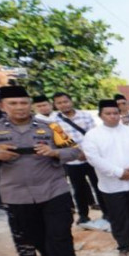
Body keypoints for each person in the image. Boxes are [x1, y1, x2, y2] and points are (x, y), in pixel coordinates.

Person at [0, 85, 86, 256]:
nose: (20, 107)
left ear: (30, 105)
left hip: (54, 189)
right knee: (36, 236)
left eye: (24, 103)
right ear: (3, 106)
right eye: (13, 103)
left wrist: (55, 152)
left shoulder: (51, 127)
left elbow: (75, 151)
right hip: (17, 195)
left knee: (60, 234)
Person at [82, 99, 129, 256]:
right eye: (108, 113)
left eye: (115, 113)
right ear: (100, 115)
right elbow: (94, 159)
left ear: (120, 114)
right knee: (118, 217)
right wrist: (119, 172)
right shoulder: (93, 135)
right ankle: (124, 246)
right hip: (112, 185)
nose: (113, 116)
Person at [53, 91, 106, 224]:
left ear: (71, 101)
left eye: (65, 101)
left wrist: (87, 153)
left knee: (99, 185)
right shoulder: (54, 121)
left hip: (91, 159)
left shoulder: (85, 116)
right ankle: (83, 215)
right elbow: (58, 142)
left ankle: (107, 212)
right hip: (71, 162)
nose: (63, 105)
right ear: (55, 105)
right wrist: (76, 154)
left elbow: (94, 135)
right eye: (59, 103)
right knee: (78, 189)